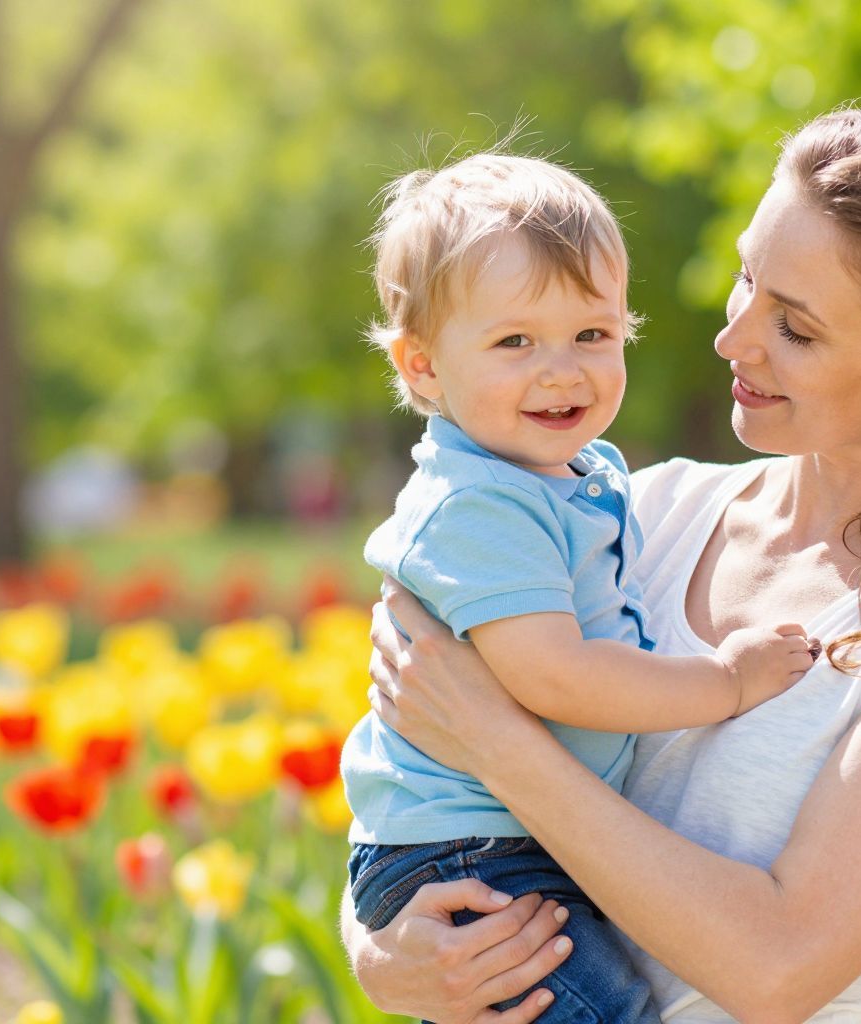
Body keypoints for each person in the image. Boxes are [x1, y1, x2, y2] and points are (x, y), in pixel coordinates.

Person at [340, 97, 861, 1024]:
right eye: (746, 281)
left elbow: (780, 968)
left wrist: (496, 739)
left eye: (797, 328)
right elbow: (417, 777)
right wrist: (385, 956)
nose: (733, 339)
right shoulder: (637, 510)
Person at [343, 153, 815, 1023]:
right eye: (514, 341)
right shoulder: (481, 503)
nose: (562, 370)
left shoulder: (577, 475)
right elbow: (554, 676)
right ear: (423, 369)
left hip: (506, 838)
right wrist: (727, 683)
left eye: (591, 335)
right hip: (472, 853)